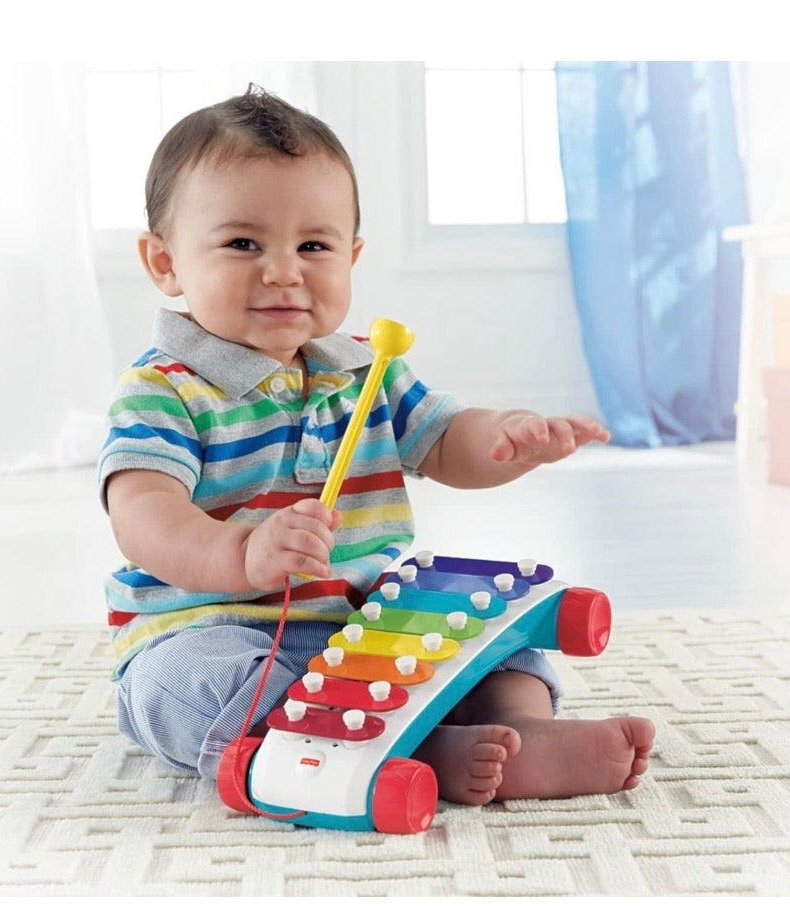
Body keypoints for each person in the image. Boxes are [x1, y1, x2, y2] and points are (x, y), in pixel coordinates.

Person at [99, 85, 655, 807]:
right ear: (164, 262)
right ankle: (416, 752)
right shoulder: (163, 389)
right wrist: (240, 555)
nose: (284, 270)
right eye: (243, 244)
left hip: (369, 625)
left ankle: (520, 733)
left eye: (314, 245)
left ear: (352, 256)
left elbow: (446, 440)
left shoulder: (367, 370)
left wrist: (505, 437)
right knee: (182, 690)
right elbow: (143, 515)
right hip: (219, 628)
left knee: (497, 648)